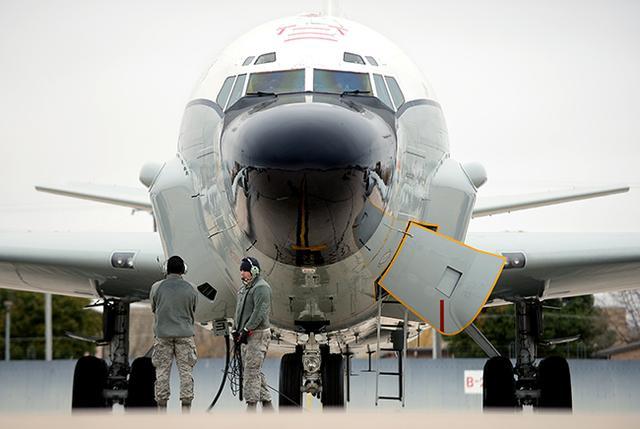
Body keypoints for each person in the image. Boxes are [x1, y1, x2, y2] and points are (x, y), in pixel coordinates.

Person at [150, 255, 198, 412]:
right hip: (185, 335)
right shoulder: (191, 287)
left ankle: (162, 409)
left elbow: (153, 308)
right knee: (186, 372)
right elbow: (193, 308)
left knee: (162, 372)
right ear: (183, 270)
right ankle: (186, 408)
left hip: (163, 335)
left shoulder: (156, 287)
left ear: (166, 269)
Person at [233, 256, 273, 411]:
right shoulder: (244, 289)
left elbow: (259, 312)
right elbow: (239, 311)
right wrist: (237, 330)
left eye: (245, 270)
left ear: (254, 271)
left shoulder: (261, 288)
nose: (242, 273)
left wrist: (246, 329)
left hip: (257, 335)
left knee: (251, 372)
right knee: (252, 371)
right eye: (241, 270)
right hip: (246, 336)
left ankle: (251, 408)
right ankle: (268, 406)